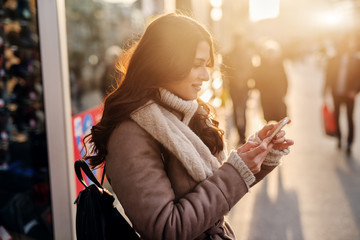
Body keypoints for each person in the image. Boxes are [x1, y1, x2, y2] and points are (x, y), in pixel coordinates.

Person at [83, 13, 294, 240]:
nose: (205, 75)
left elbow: (213, 190)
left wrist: (257, 155)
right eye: (196, 65)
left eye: (207, 65)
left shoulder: (188, 112)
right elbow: (165, 228)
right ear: (165, 62)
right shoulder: (130, 133)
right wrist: (236, 171)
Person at [324, 34, 360, 154]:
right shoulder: (333, 59)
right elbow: (328, 76)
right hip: (336, 93)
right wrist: (325, 89)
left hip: (349, 94)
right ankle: (339, 138)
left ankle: (349, 142)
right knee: (337, 116)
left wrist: (355, 91)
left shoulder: (356, 60)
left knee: (350, 118)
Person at [222, 34, 254, 144]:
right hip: (234, 86)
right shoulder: (229, 55)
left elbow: (251, 70)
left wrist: (248, 80)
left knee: (243, 110)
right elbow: (224, 71)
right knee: (236, 109)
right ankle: (240, 133)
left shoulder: (247, 54)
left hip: (244, 87)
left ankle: (243, 134)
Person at [254, 40, 288, 122]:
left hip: (277, 96)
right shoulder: (262, 66)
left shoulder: (279, 65)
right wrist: (262, 90)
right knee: (268, 117)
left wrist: (283, 92)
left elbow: (285, 79)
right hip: (266, 97)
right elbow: (257, 80)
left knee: (278, 118)